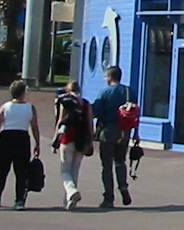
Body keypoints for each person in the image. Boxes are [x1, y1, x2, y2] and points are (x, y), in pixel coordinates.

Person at [0, 80, 40, 210]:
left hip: (6, 138)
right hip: (22, 138)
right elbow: (35, 127)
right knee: (21, 171)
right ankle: (19, 200)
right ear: (23, 93)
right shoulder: (30, 108)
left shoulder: (5, 107)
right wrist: (37, 143)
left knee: (3, 170)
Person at [90, 65, 134, 209]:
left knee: (107, 165)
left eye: (105, 76)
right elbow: (134, 113)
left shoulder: (104, 93)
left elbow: (97, 112)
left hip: (108, 130)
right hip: (125, 131)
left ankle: (108, 198)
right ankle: (123, 187)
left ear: (110, 77)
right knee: (120, 161)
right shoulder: (129, 91)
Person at [52, 79, 93, 211]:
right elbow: (90, 124)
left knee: (65, 169)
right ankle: (69, 200)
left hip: (67, 137)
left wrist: (55, 140)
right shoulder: (86, 104)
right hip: (82, 138)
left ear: (68, 90)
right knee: (75, 170)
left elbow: (60, 121)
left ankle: (71, 191)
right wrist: (90, 141)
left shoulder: (67, 102)